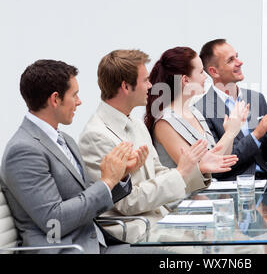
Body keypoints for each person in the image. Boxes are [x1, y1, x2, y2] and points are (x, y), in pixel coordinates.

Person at [78, 49, 227, 244]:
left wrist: (196, 169)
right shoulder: (96, 136)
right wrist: (182, 173)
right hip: (137, 230)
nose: (151, 85)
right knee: (213, 249)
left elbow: (158, 173)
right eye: (145, 80)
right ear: (125, 86)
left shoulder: (136, 124)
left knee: (225, 239)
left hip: (159, 220)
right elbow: (127, 202)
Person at [0, 59, 149, 254]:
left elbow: (85, 196)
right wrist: (106, 181)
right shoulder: (22, 150)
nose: (79, 101)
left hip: (95, 243)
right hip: (70, 249)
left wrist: (118, 177)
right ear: (55, 99)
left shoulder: (66, 139)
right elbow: (55, 220)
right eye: (75, 94)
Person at [195, 39, 267, 181]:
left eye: (237, 56)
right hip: (233, 188)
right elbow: (218, 168)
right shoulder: (201, 110)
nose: (240, 62)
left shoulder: (256, 98)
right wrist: (256, 135)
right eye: (231, 60)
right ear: (214, 71)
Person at [145, 46, 246, 171]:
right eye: (201, 72)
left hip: (206, 189)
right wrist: (230, 133)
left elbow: (222, 160)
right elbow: (195, 170)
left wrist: (230, 132)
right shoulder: (164, 123)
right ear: (185, 80)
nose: (206, 77)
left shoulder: (194, 112)